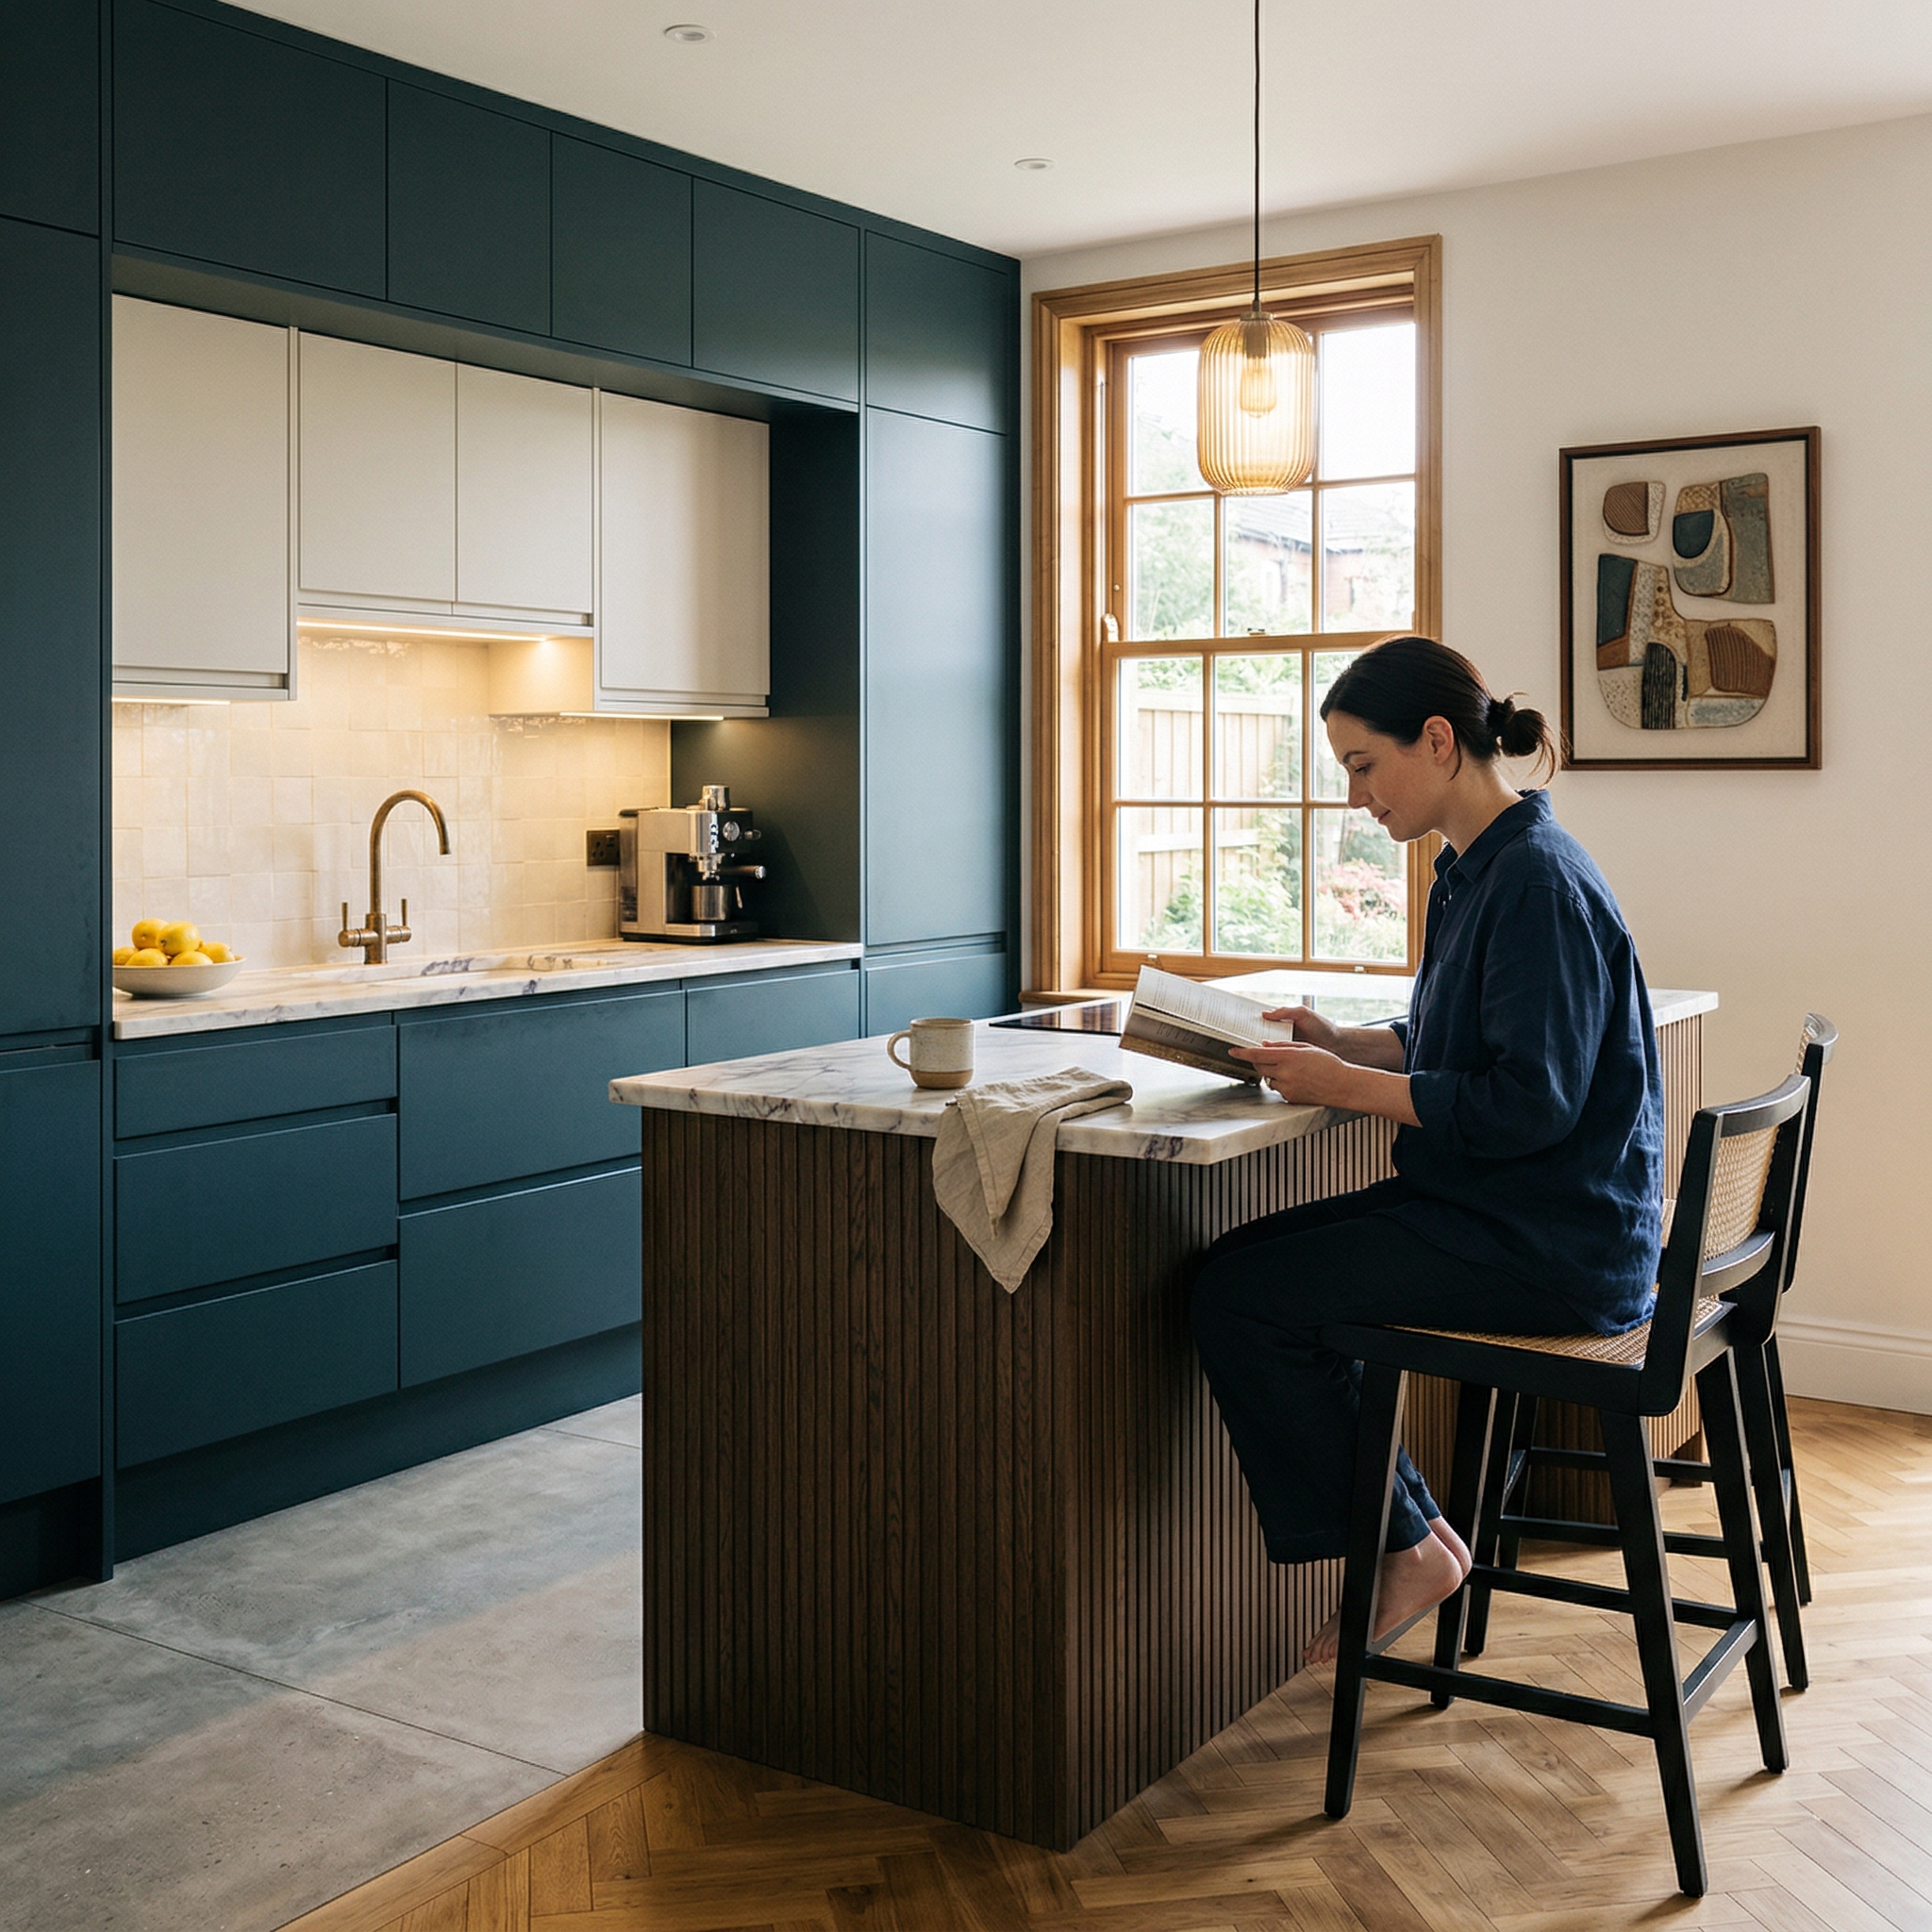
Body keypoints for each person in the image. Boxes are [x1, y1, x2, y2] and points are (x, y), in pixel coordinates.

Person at [1190, 635, 1664, 1663]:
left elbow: (1526, 1105)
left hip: (1549, 1247)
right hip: (1508, 1216)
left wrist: (1349, 1088)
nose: (1356, 795)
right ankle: (1418, 1534)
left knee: (1242, 1298)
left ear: (1438, 741)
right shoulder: (1476, 868)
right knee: (1229, 1274)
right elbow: (1461, 1044)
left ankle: (1408, 1544)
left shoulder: (1532, 880)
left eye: (1363, 764)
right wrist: (1342, 1040)